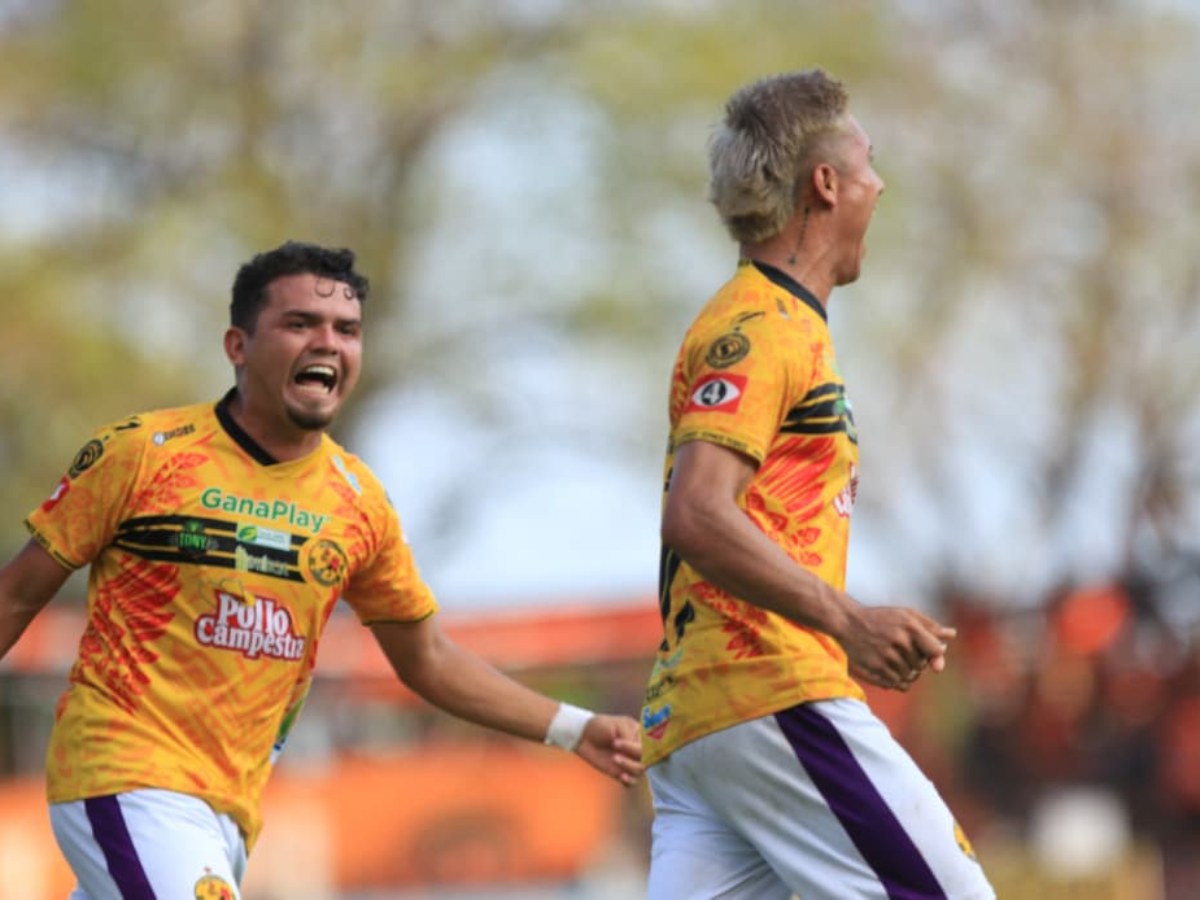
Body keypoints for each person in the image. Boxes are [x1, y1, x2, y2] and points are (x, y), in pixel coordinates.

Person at [0, 240, 643, 899]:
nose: (328, 343)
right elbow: (17, 597)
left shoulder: (357, 502)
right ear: (238, 346)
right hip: (122, 775)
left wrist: (574, 726)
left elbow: (426, 659)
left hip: (227, 813)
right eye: (300, 323)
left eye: (347, 330)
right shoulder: (144, 455)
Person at [640, 70, 995, 899]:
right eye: (871, 161)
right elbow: (694, 513)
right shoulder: (760, 327)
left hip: (699, 726)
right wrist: (848, 620)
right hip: (768, 692)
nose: (883, 183)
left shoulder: (776, 323)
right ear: (827, 184)